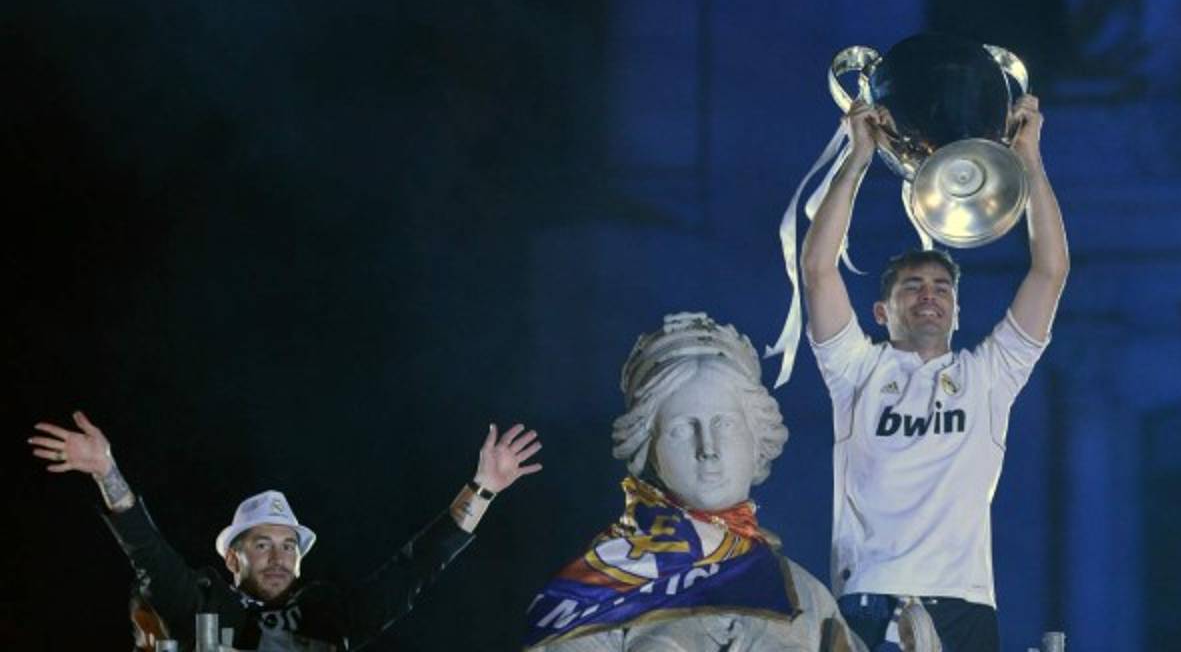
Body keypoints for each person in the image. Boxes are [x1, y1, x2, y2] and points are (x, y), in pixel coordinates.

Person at [799, 94, 1069, 651]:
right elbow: (818, 269)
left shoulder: (989, 375)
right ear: (881, 311)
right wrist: (857, 158)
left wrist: (1030, 160)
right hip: (869, 598)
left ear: (958, 310)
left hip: (963, 603)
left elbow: (1050, 271)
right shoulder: (856, 369)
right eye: (912, 287)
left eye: (942, 288)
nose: (929, 296)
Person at [29, 411, 542, 650]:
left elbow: (417, 567)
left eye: (288, 545)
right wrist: (106, 472)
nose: (278, 556)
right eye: (262, 544)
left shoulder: (330, 617)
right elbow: (148, 550)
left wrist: (483, 488)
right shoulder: (202, 605)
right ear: (234, 557)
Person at [525, 312, 873, 652]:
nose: (708, 449)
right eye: (681, 430)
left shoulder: (808, 597)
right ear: (651, 453)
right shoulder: (596, 590)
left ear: (758, 442)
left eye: (725, 425)